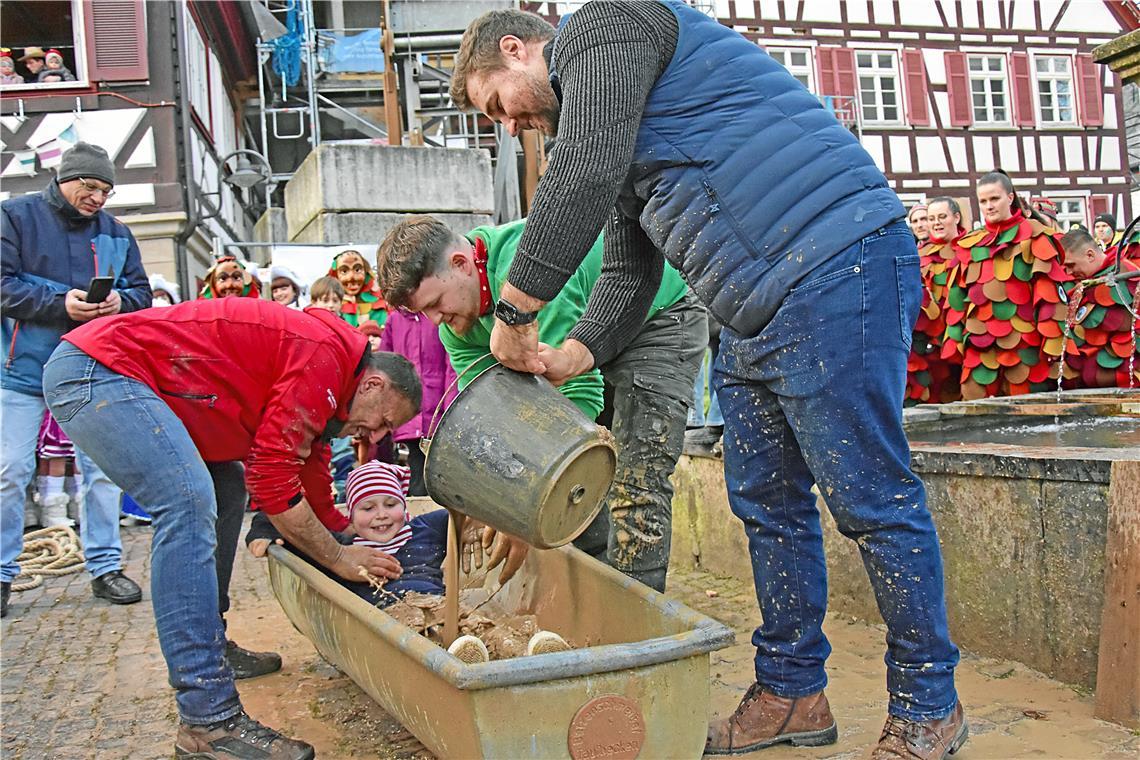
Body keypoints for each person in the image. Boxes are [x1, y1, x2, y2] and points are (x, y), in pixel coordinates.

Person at [449, 4, 965, 758]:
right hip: (752, 304)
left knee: (871, 498)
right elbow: (630, 270)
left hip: (833, 260)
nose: (508, 124)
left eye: (496, 102)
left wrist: (517, 306)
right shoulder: (609, 116)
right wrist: (578, 352)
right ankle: (793, 693)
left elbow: (583, 173)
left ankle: (929, 702)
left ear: (517, 48)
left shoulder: (607, 26)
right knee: (766, 503)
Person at [41, 297, 422, 760]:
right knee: (186, 502)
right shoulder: (324, 355)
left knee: (226, 487)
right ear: (373, 383)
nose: (375, 436)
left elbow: (310, 470)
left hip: (117, 370)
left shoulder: (331, 375)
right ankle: (208, 720)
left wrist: (347, 535)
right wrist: (339, 559)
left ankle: (213, 650)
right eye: (382, 421)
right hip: (98, 370)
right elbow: (274, 475)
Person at [377, 215, 704, 592]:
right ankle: (598, 598)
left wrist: (528, 503)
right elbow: (496, 414)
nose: (435, 321)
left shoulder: (530, 275)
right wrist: (504, 501)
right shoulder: (456, 324)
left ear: (460, 263)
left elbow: (576, 399)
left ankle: (639, 631)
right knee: (574, 493)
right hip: (583, 341)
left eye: (435, 303)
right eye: (423, 312)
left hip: (655, 320)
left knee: (637, 479)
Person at [1, 142, 149, 619]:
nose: (99, 198)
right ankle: (2, 574)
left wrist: (118, 304)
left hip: (91, 368)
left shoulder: (116, 232)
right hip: (19, 369)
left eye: (106, 190)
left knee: (102, 472)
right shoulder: (14, 217)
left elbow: (141, 294)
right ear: (65, 179)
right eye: (91, 187)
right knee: (9, 472)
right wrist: (60, 302)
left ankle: (105, 566)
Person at [248, 461, 448, 606]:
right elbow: (284, 523)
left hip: (436, 606)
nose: (381, 515)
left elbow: (462, 511)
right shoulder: (342, 548)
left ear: (404, 507)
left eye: (390, 504)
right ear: (351, 517)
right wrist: (263, 532)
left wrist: (476, 525)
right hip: (380, 628)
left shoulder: (426, 528)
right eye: (367, 508)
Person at [943, 172, 1067, 399]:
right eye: (983, 201)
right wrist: (955, 341)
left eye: (994, 199)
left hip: (1024, 347)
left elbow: (1050, 299)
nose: (989, 206)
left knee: (1028, 415)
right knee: (974, 408)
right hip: (979, 348)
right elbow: (957, 302)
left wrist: (1053, 346)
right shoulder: (969, 244)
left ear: (1010, 198)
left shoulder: (1036, 235)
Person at [377, 306, 458, 496]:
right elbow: (383, 367)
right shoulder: (394, 320)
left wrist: (449, 409)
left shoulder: (436, 315)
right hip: (407, 414)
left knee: (440, 476)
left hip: (436, 412)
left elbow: (451, 365)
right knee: (417, 479)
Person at [1058, 227, 1139, 389]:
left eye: (1071, 265)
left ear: (1090, 255)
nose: (1068, 272)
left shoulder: (1127, 276)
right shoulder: (1085, 284)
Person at [907, 197, 965, 404]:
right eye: (932, 218)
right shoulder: (918, 256)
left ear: (956, 217)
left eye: (942, 217)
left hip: (968, 341)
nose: (935, 223)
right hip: (933, 347)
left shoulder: (972, 250)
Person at [329, 249, 387, 327]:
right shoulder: (328, 305)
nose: (351, 277)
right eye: (344, 271)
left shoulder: (381, 305)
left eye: (357, 270)